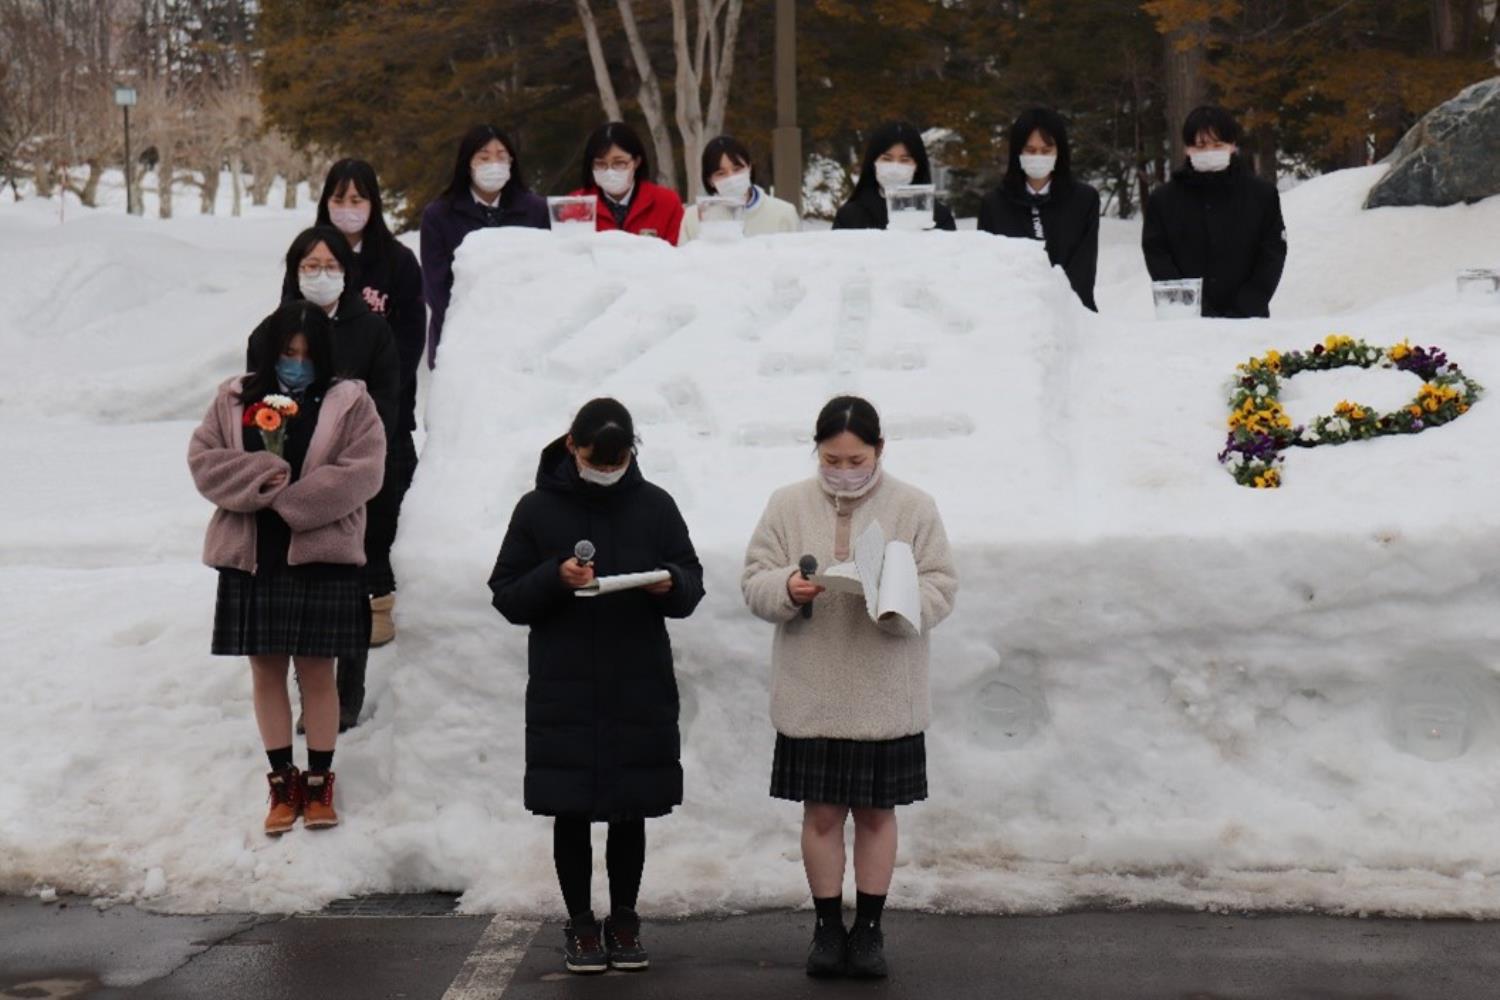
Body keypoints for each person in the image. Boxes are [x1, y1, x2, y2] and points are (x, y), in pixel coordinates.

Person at [741, 396, 958, 980]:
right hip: (812, 691)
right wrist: (788, 587)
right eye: (832, 459)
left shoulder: (914, 506)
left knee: (878, 814)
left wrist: (901, 601)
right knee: (820, 815)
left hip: (884, 689)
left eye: (855, 458)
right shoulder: (786, 505)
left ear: (879, 450)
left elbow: (941, 582)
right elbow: (755, 580)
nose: (843, 469)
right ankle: (826, 927)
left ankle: (869, 929)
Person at [488, 398, 705, 975]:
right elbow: (507, 594)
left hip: (638, 679)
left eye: (618, 459)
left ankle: (625, 917)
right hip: (566, 684)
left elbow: (691, 582)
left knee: (631, 807)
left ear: (633, 452)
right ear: (571, 448)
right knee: (572, 808)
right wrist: (554, 577)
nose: (607, 468)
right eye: (595, 458)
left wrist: (669, 584)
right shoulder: (536, 509)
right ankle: (581, 921)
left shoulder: (656, 505)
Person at [189, 302, 386, 836]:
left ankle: (320, 782)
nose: (296, 363)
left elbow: (364, 472)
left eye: (306, 354)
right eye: (287, 352)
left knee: (319, 671)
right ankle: (282, 784)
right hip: (254, 554)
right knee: (266, 669)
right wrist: (263, 476)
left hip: (321, 552)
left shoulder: (351, 401)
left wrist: (297, 501)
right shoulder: (234, 398)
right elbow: (204, 461)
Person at [251, 225, 399, 732]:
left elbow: (389, 404)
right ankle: (308, 695)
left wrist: (353, 461)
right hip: (287, 483)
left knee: (347, 586)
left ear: (347, 271)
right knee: (293, 589)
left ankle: (347, 690)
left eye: (330, 265)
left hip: (355, 475)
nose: (320, 275)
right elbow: (257, 406)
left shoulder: (372, 330)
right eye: (309, 266)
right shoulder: (268, 332)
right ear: (294, 271)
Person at [312, 159, 423, 652]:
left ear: (373, 203)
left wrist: (374, 406)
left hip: (384, 411)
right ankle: (328, 601)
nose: (348, 209)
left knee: (382, 509)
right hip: (317, 412)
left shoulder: (397, 262)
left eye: (358, 199)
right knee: (325, 507)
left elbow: (409, 344)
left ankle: (380, 602)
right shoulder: (310, 258)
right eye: (339, 199)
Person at [1141, 105, 1288, 318]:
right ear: (1187, 149)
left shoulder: (1262, 195)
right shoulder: (1163, 200)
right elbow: (1158, 256)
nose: (1209, 152)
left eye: (1218, 144)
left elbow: (1272, 253)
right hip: (1185, 320)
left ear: (1233, 146)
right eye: (1201, 146)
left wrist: (1246, 305)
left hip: (1249, 319)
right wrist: (1191, 307)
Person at [420, 125, 549, 366]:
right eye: (484, 157)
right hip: (459, 341)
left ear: (512, 161)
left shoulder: (536, 210)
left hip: (525, 339)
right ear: (468, 163)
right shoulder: (439, 215)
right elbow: (436, 288)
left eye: (501, 156)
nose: (494, 163)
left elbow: (547, 273)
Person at [978, 108, 1100, 311]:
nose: (1038, 156)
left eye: (1046, 151)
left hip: (1073, 316)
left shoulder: (1083, 200)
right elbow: (990, 270)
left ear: (1058, 152)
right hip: (1012, 317)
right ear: (1018, 151)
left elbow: (1083, 268)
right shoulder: (994, 204)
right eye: (1031, 150)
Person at [568, 122, 685, 245]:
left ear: (636, 162)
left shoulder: (666, 201)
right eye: (600, 164)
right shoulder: (576, 204)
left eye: (619, 163)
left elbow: (678, 253)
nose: (610, 171)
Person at [832, 123, 957, 231]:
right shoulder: (849, 216)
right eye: (887, 159)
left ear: (918, 165)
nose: (895, 168)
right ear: (873, 162)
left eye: (905, 160)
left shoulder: (938, 217)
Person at [679, 135, 799, 242]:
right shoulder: (693, 218)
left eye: (737, 169)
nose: (731, 178)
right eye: (721, 173)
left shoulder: (783, 213)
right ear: (710, 180)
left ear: (749, 168)